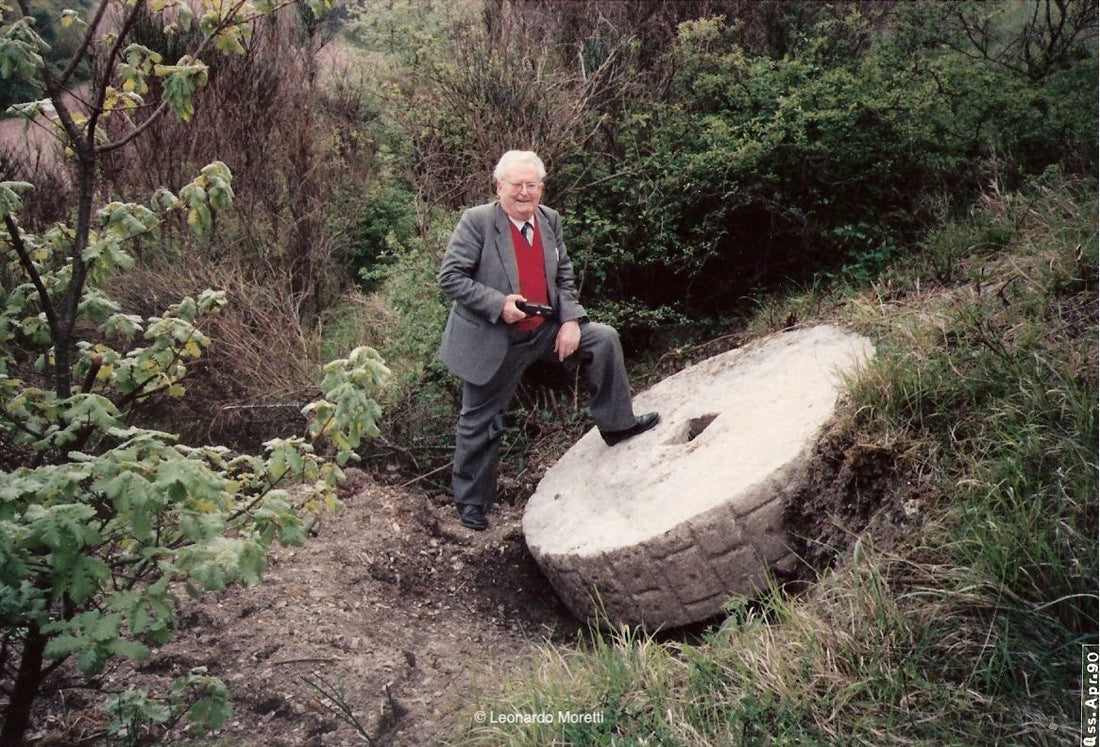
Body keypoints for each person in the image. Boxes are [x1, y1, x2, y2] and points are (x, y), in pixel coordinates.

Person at [437, 150, 659, 531]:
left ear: (541, 187)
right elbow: (451, 278)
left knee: (603, 339)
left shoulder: (549, 219)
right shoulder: (477, 222)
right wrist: (498, 305)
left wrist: (571, 319)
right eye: (516, 185)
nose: (524, 193)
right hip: (496, 337)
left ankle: (618, 425)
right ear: (499, 186)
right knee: (478, 419)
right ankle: (471, 502)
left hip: (544, 329)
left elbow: (564, 276)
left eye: (532, 185)